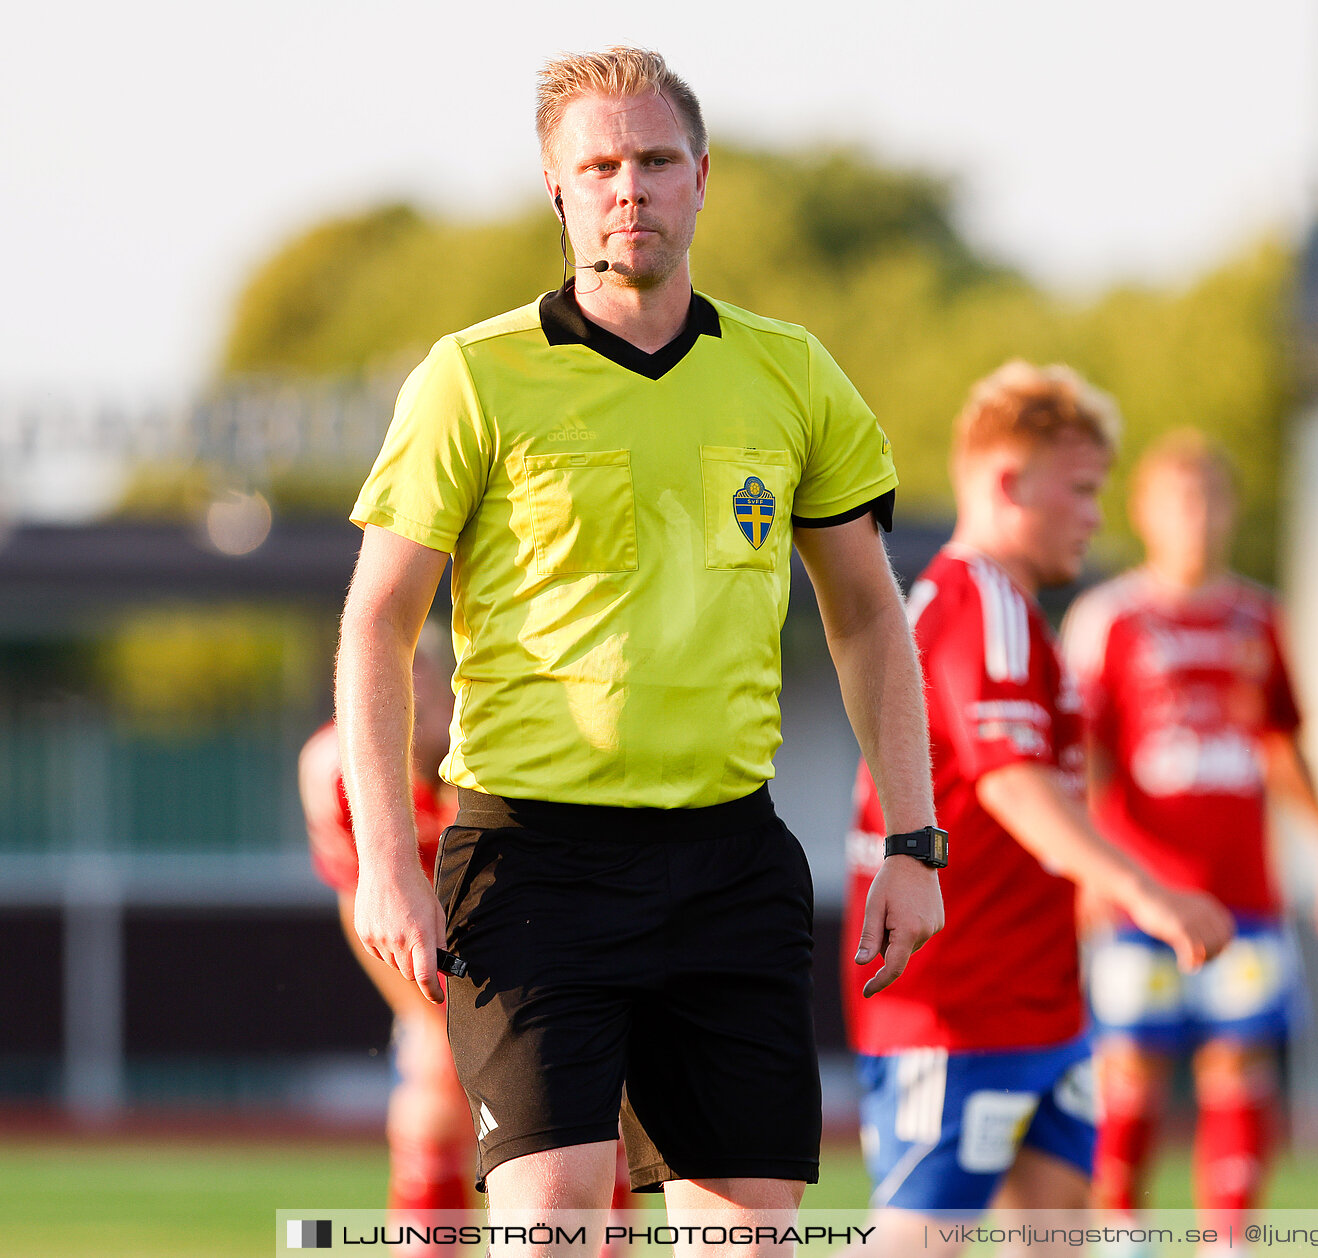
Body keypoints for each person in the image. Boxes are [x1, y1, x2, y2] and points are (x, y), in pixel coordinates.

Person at [334, 47, 943, 1256]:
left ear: (703, 178)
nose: (631, 189)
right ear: (556, 190)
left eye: (656, 161)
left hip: (730, 856)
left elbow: (871, 614)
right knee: (557, 1220)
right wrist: (383, 862)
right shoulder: (475, 377)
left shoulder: (792, 371)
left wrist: (913, 841)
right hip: (532, 861)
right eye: (600, 166)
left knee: (746, 1238)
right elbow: (377, 621)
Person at [843, 362, 1233, 1248]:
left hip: (1037, 999)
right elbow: (1013, 785)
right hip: (960, 1004)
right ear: (1011, 483)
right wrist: (1148, 891)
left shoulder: (1009, 607)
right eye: (1084, 490)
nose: (1098, 514)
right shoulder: (983, 602)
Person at [1060, 432, 1318, 1238]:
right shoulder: (1110, 618)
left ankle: (1229, 1242)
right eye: (1178, 501)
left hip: (1244, 898)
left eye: (1209, 499)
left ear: (1229, 510)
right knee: (1130, 1077)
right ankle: (1122, 1242)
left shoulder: (1259, 618)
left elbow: (1284, 747)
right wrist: (1092, 872)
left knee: (1239, 1070)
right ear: (1146, 513)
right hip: (1143, 897)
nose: (1196, 518)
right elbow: (1084, 758)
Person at [299, 625, 467, 1256]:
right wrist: (427, 1017)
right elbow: (359, 903)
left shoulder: (505, 755)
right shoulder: (335, 771)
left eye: (418, 674)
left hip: (536, 936)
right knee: (431, 1088)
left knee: (592, 1101)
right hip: (429, 954)